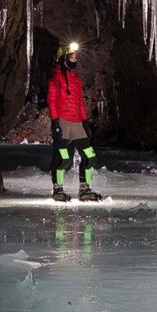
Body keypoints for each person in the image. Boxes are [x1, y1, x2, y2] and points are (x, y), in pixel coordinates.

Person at [47, 41, 103, 202]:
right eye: (71, 57)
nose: (74, 59)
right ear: (63, 58)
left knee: (89, 155)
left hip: (78, 123)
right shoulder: (54, 81)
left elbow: (80, 103)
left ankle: (85, 189)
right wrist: (55, 122)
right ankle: (57, 189)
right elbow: (52, 102)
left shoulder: (76, 80)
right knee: (63, 158)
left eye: (75, 57)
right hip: (63, 122)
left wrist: (85, 122)